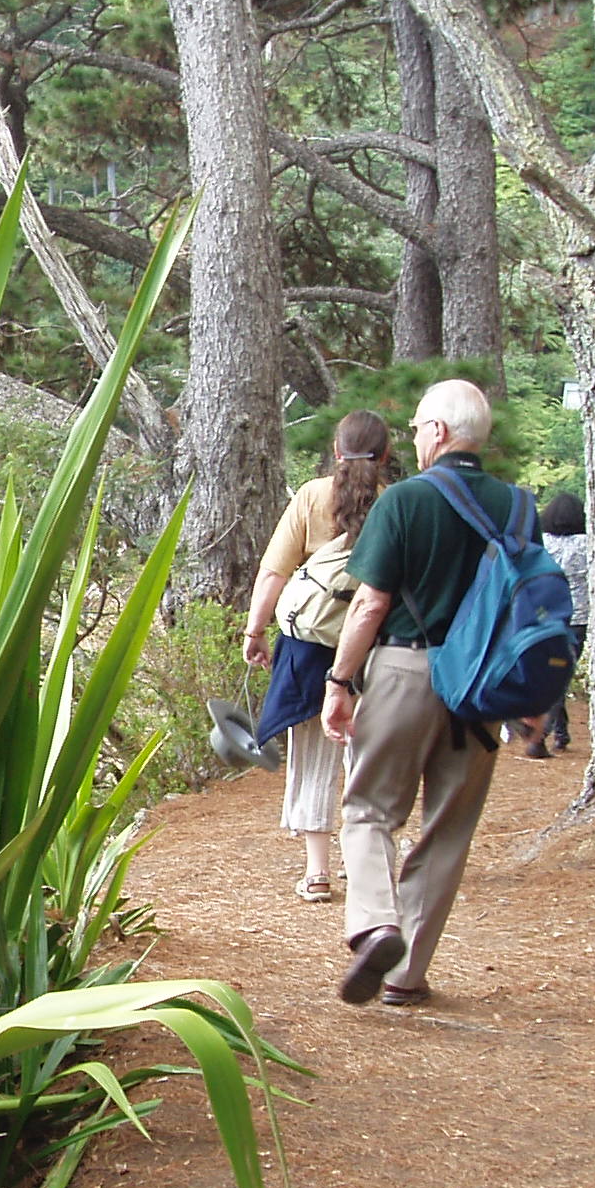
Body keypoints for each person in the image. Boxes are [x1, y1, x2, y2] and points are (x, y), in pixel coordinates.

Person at [320, 379, 514, 1008]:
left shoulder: (404, 500)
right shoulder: (516, 507)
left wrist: (339, 682)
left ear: (438, 431)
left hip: (406, 670)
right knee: (448, 829)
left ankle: (377, 923)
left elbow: (369, 604)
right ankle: (405, 978)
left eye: (417, 427)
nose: (413, 438)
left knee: (369, 810)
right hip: (480, 687)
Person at [242, 412, 394, 903]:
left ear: (336, 451)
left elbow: (274, 572)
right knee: (365, 755)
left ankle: (317, 873)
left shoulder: (311, 496)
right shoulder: (395, 503)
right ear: (386, 454)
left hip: (310, 647)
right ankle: (364, 858)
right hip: (374, 644)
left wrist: (255, 630)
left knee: (312, 756)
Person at [537, 491, 588, 752]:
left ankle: (552, 732)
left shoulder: (542, 544)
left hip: (546, 616)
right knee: (562, 673)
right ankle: (549, 732)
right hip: (579, 618)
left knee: (554, 671)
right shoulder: (590, 545)